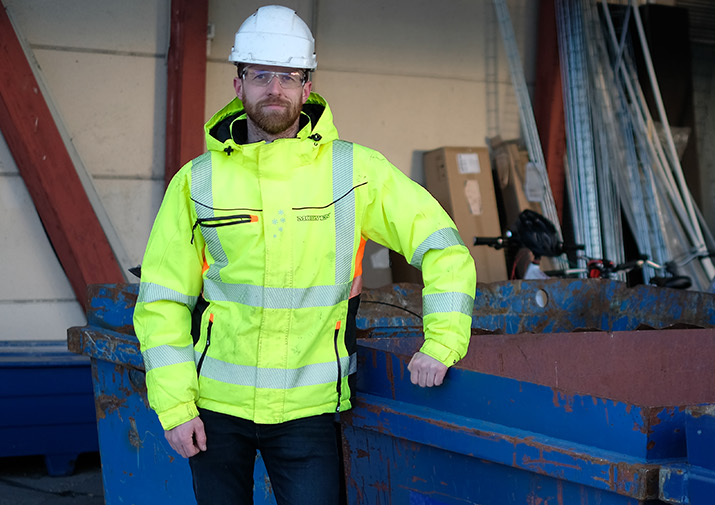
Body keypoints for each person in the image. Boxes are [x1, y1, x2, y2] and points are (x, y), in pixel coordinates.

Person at [132, 5, 476, 504]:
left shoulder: (357, 171)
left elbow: (442, 246)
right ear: (238, 85)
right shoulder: (197, 181)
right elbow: (162, 301)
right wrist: (176, 407)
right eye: (261, 74)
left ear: (307, 87)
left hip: (308, 413)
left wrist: (442, 341)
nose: (275, 88)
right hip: (214, 410)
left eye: (289, 76)